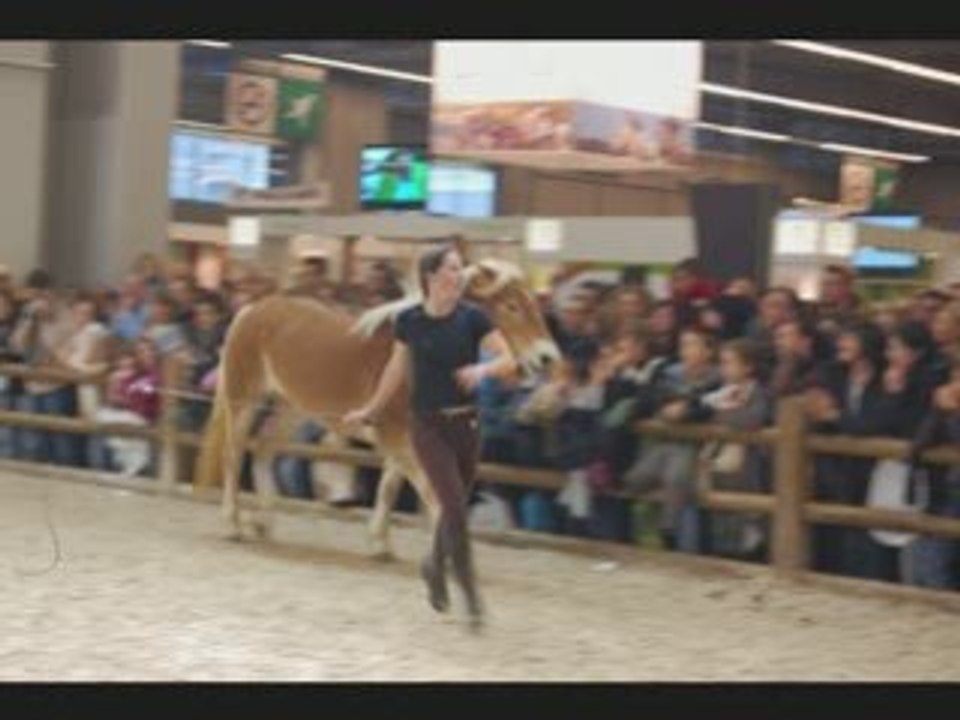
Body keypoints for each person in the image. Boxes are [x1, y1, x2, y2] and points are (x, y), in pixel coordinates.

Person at [344, 244, 515, 631]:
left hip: (468, 425)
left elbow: (508, 358)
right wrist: (371, 410)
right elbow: (395, 369)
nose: (460, 275)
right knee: (452, 507)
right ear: (433, 277)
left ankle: (433, 564)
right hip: (427, 425)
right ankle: (471, 596)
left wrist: (482, 371)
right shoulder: (409, 321)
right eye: (454, 268)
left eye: (459, 269)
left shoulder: (473, 318)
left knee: (457, 506)